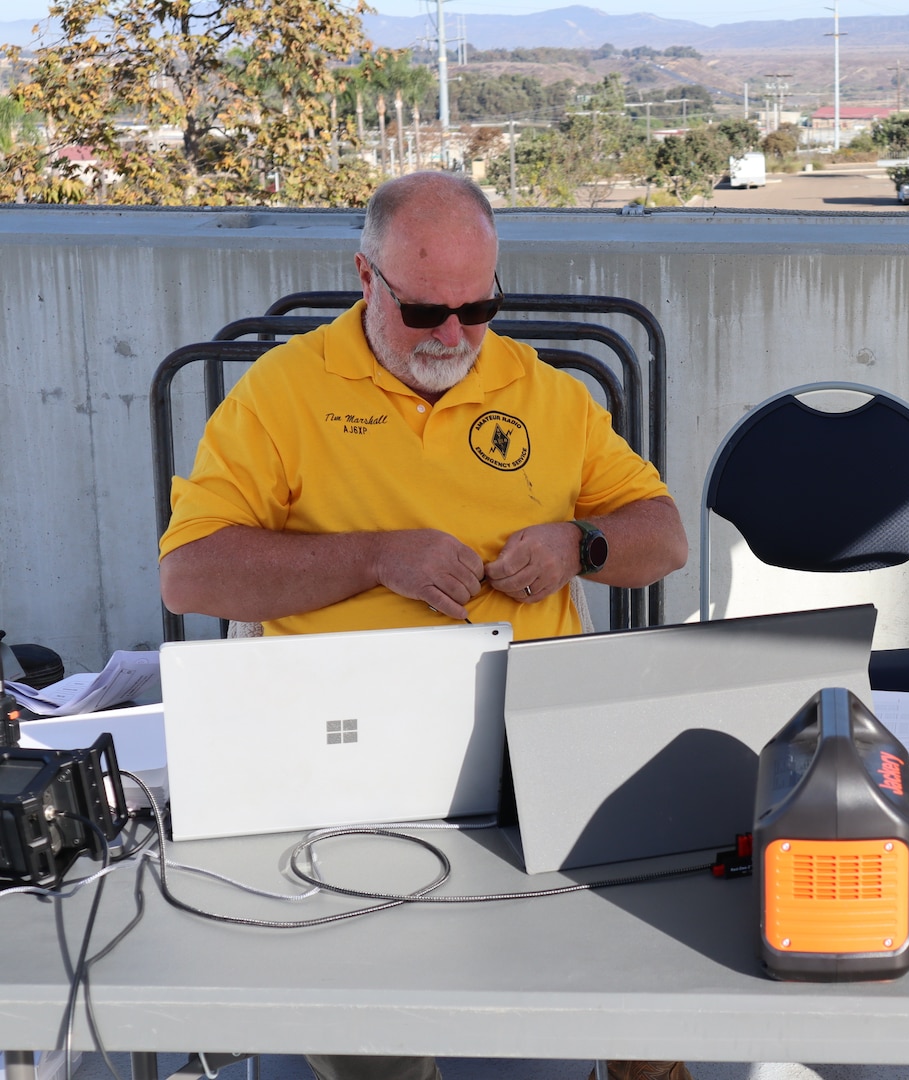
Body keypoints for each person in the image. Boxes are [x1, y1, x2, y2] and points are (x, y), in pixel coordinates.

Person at [158, 172, 689, 1080]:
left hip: (538, 741)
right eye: (425, 311)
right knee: (370, 1025)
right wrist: (372, 558)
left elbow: (664, 538)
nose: (453, 334)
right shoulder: (281, 395)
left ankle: (635, 1059)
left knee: (659, 944)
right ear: (366, 277)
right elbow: (191, 572)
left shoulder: (547, 393)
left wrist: (580, 544)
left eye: (478, 307)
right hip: (348, 753)